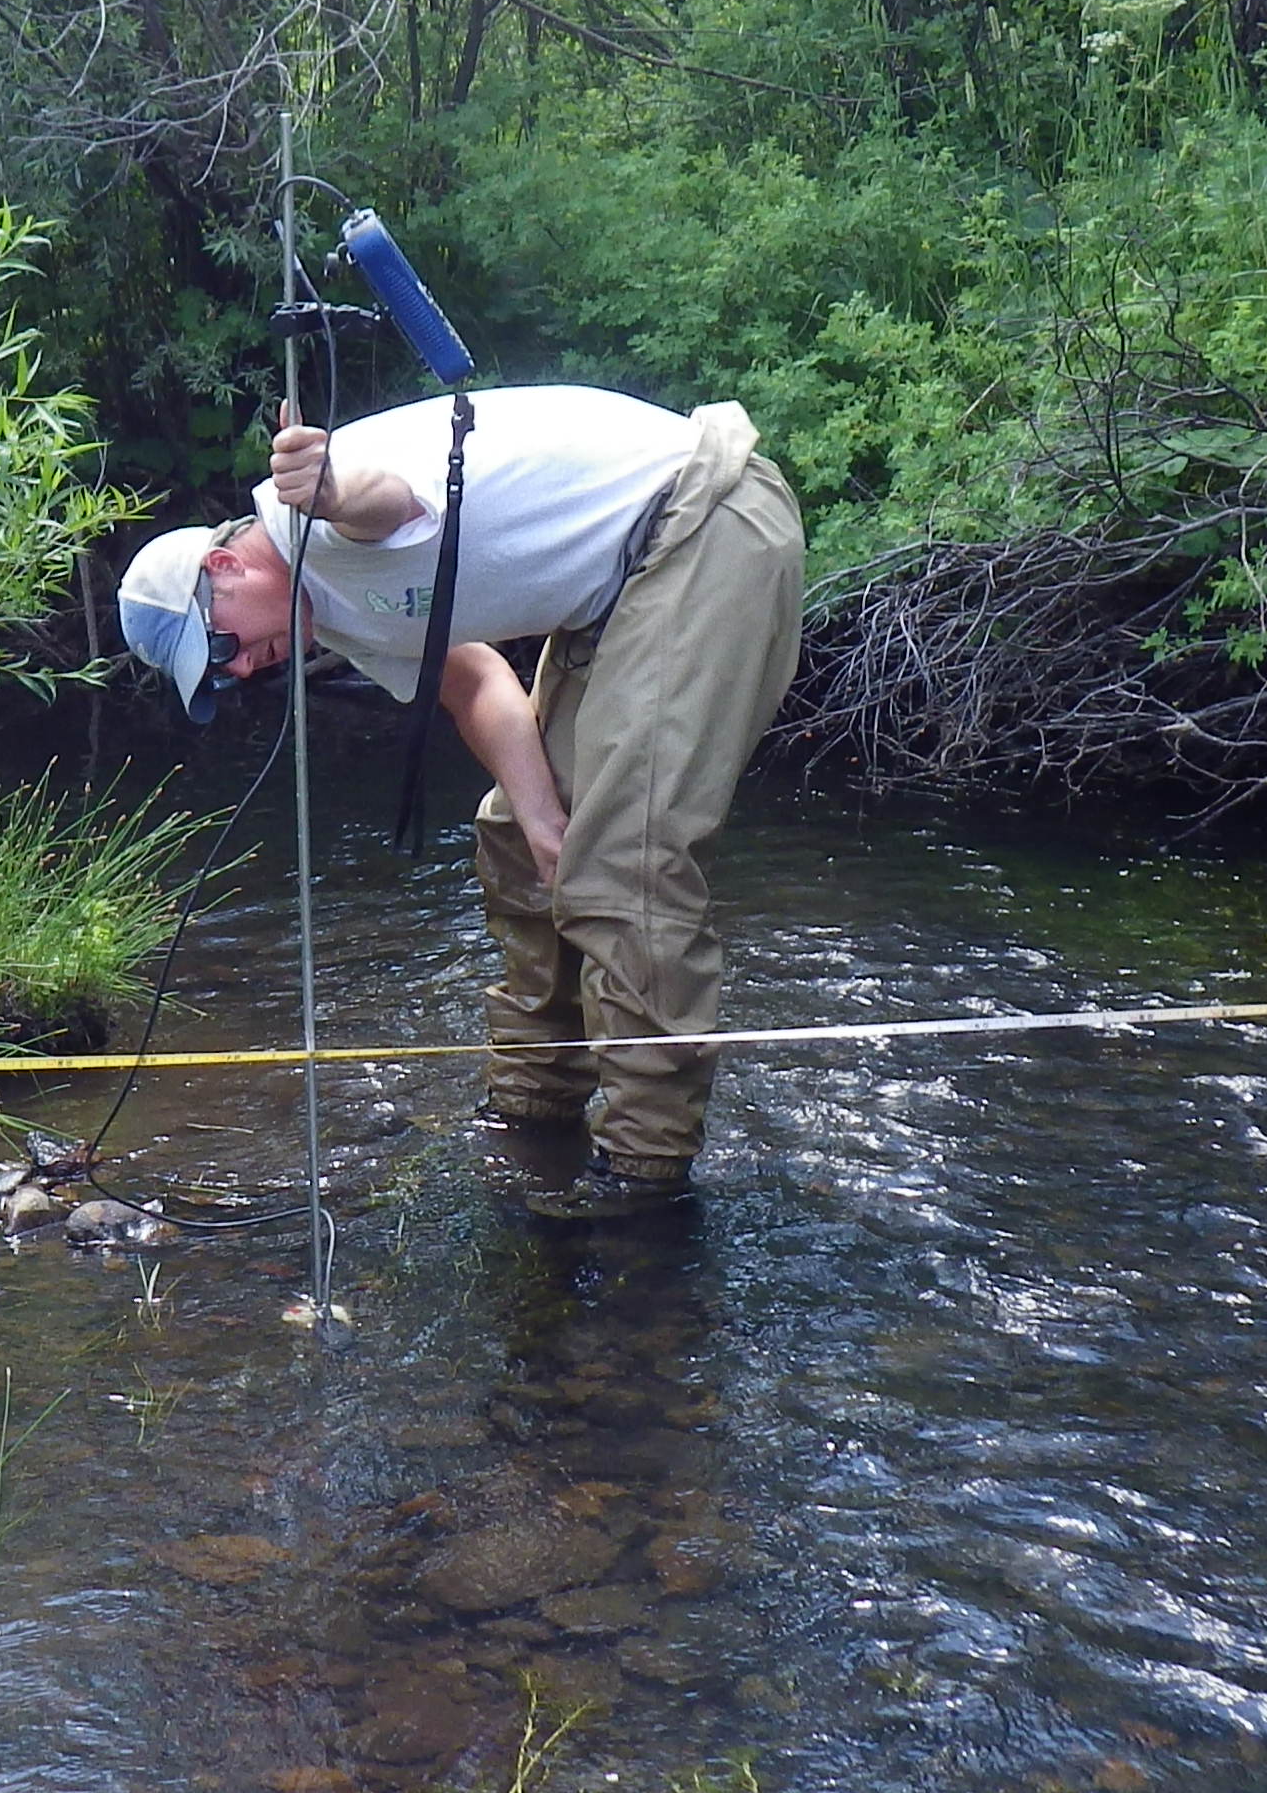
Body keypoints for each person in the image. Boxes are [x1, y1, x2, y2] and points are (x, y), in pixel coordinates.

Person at [117, 384, 803, 1222]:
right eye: (218, 676)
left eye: (219, 644)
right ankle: (533, 1110)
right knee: (517, 834)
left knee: (625, 857)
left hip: (704, 522)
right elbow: (474, 679)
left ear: (223, 567)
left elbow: (383, 503)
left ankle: (644, 1178)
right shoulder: (332, 618)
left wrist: (328, 488)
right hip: (622, 591)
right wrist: (544, 818)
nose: (242, 669)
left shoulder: (314, 518)